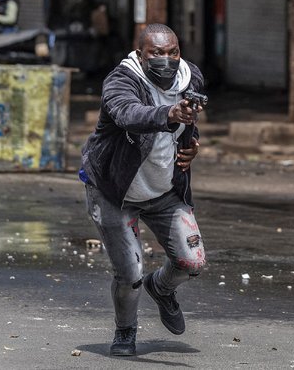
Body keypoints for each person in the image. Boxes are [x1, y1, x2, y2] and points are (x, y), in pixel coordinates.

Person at [79, 23, 206, 356]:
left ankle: (161, 289)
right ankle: (125, 331)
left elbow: (189, 126)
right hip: (114, 190)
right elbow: (128, 114)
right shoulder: (122, 81)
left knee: (190, 262)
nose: (166, 60)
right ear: (140, 54)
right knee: (130, 273)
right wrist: (168, 113)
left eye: (173, 52)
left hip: (164, 190)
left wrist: (193, 145)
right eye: (157, 53)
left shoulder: (190, 78)